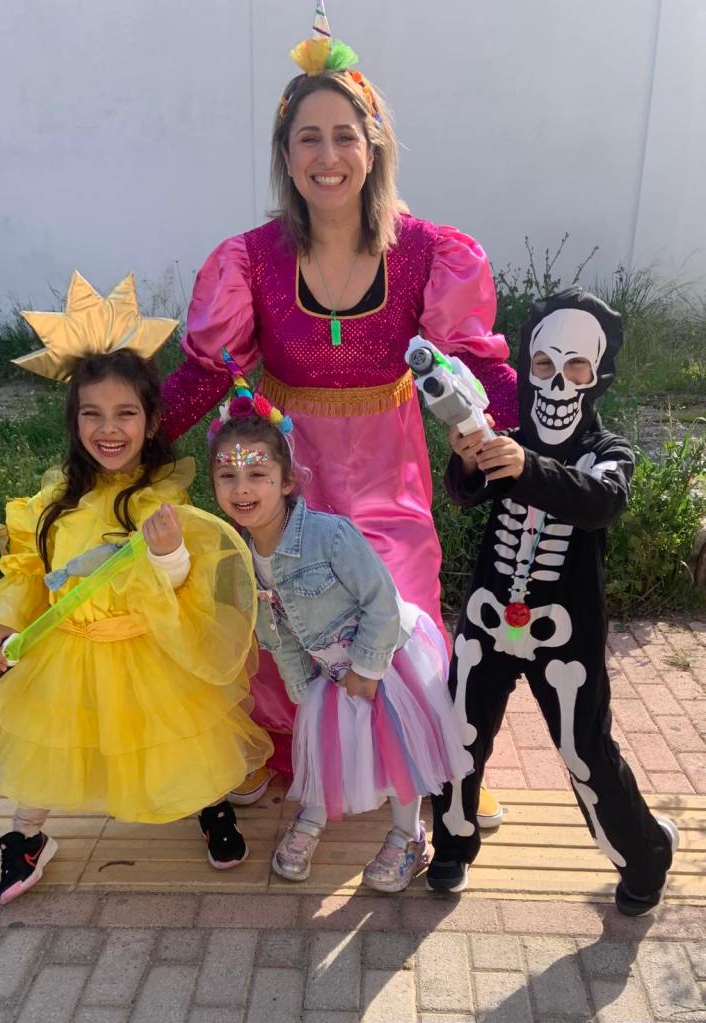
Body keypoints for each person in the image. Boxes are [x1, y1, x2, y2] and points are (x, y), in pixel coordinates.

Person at [162, 5, 516, 826]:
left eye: (344, 136)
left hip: (390, 470)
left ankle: (424, 754)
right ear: (285, 156)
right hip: (292, 473)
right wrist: (137, 437)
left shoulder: (428, 251)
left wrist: (518, 433)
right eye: (308, 139)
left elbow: (472, 358)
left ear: (374, 144)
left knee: (402, 608)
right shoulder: (250, 259)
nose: (328, 156)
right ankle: (290, 750)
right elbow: (208, 370)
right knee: (283, 610)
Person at [0, 272, 272, 904]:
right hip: (67, 651)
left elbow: (183, 585)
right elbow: (28, 575)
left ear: (151, 421)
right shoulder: (50, 505)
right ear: (75, 422)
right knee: (50, 747)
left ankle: (209, 805)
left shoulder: (161, 497)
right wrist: (4, 622)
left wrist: (169, 553)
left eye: (126, 413)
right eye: (91, 414)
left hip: (149, 649)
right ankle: (27, 837)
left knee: (181, 736)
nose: (108, 428)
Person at [426, 287, 678, 915]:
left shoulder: (609, 453)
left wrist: (527, 467)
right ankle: (451, 847)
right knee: (458, 734)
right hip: (488, 617)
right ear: (527, 367)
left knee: (584, 750)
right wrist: (468, 462)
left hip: (566, 631)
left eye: (577, 367)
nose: (557, 381)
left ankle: (645, 856)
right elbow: (466, 495)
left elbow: (601, 502)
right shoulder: (505, 437)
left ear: (600, 377)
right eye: (543, 364)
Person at [208, 392, 473, 892]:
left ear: (287, 481)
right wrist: (302, 688)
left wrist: (369, 670)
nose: (242, 488)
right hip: (329, 669)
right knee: (324, 743)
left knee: (397, 749)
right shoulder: (242, 559)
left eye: (258, 474)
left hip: (387, 657)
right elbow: (277, 632)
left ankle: (409, 834)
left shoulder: (330, 536)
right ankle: (313, 815)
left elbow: (381, 601)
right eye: (227, 476)